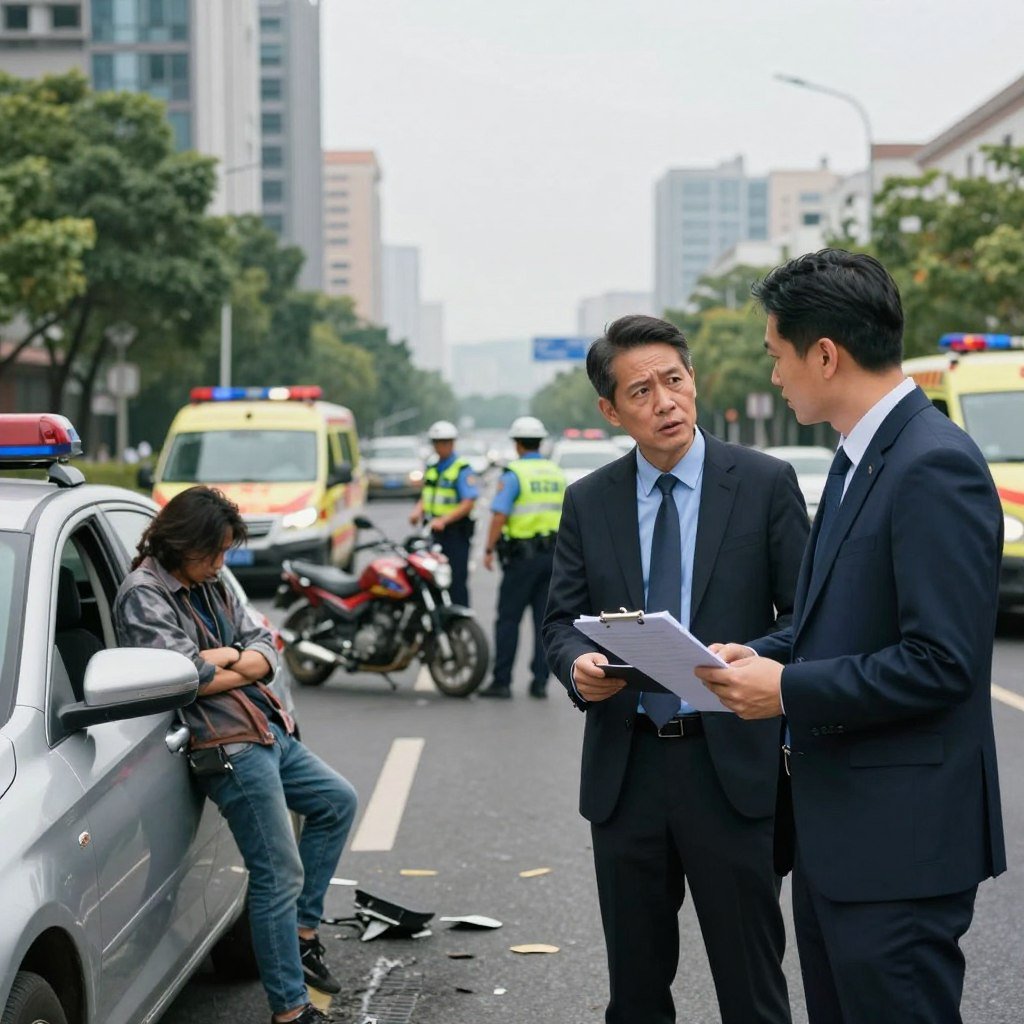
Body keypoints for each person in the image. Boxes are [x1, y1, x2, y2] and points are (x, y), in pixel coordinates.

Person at [695, 249, 1006, 1024]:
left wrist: (786, 690)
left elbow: (941, 663)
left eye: (778, 355)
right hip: (841, 839)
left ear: (826, 355)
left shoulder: (933, 465)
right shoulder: (859, 456)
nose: (774, 375)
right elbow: (837, 620)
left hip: (900, 849)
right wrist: (761, 655)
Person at [542, 314, 808, 1024]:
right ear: (611, 410)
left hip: (730, 768)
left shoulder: (763, 483)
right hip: (626, 771)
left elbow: (808, 619)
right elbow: (560, 621)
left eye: (674, 380)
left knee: (752, 989)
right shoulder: (589, 499)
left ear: (694, 381)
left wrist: (758, 655)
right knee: (635, 992)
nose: (665, 401)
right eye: (641, 391)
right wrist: (578, 667)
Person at [113, 486, 358, 1024]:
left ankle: (302, 933)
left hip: (263, 723)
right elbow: (185, 678)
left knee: (337, 802)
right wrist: (236, 661)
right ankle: (291, 1011)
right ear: (182, 543)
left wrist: (228, 660)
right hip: (225, 743)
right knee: (277, 872)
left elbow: (264, 646)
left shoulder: (211, 580)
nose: (222, 563)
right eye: (215, 552)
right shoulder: (144, 594)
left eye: (226, 551)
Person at [479, 415, 566, 699]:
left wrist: (488, 549)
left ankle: (502, 681)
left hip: (521, 560)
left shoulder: (514, 474)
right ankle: (540, 682)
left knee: (508, 619)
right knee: (544, 622)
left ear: (517, 444)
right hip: (552, 557)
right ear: (540, 442)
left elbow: (499, 514)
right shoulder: (555, 473)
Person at [409, 419, 479, 606]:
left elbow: (468, 502)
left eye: (445, 442)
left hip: (454, 534)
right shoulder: (432, 467)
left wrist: (444, 520)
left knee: (455, 581)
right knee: (430, 579)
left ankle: (459, 619)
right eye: (437, 442)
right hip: (433, 533)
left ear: (452, 443)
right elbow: (427, 494)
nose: (440, 446)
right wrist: (417, 511)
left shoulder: (461, 469)